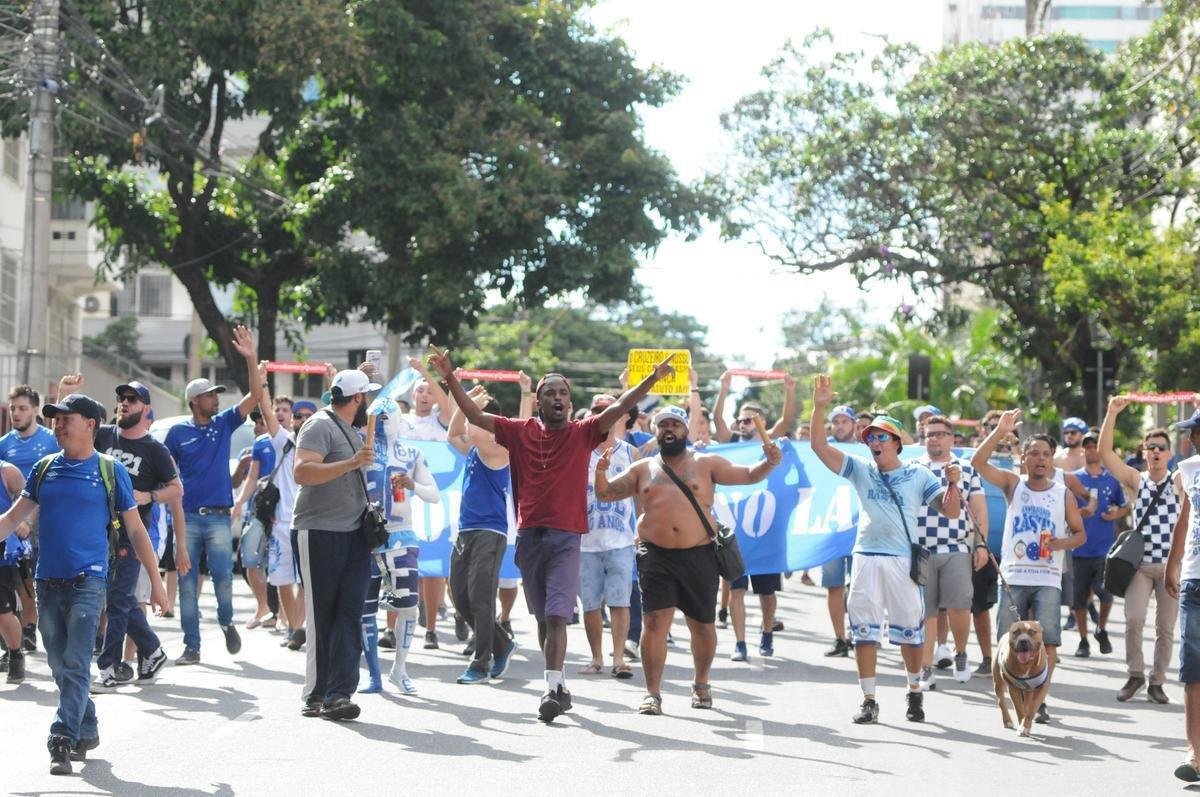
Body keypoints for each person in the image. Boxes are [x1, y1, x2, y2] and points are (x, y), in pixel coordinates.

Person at [429, 347, 675, 722]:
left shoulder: (583, 432)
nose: (557, 398)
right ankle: (559, 684)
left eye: (563, 394)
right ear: (539, 401)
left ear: (569, 401)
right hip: (529, 536)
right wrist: (449, 377)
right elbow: (476, 415)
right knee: (544, 617)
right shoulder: (519, 431)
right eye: (550, 393)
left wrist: (653, 380)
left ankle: (549, 686)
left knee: (559, 614)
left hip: (566, 536)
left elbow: (620, 405)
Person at [0, 393, 166, 775]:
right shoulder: (44, 469)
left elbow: (137, 530)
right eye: (54, 420)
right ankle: (87, 724)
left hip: (89, 581)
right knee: (60, 664)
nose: (57, 425)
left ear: (90, 424)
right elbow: (11, 519)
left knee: (75, 660)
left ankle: (62, 736)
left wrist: (156, 581)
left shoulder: (110, 471)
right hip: (47, 582)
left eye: (65, 419)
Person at [595, 404, 781, 715]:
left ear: (686, 431)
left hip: (699, 554)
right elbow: (606, 494)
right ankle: (652, 693)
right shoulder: (642, 469)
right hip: (656, 555)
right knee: (654, 622)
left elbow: (748, 475)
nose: (670, 430)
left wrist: (769, 463)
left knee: (703, 625)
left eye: (676, 425)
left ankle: (701, 683)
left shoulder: (706, 463)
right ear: (656, 431)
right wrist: (600, 473)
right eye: (663, 425)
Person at [810, 375, 961, 724]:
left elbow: (951, 511)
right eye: (870, 438)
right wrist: (820, 407)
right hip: (865, 558)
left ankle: (913, 691)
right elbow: (819, 447)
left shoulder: (919, 474)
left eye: (880, 437)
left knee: (909, 633)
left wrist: (953, 484)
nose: (873, 442)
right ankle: (869, 699)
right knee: (863, 632)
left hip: (902, 561)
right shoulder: (861, 470)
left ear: (895, 442)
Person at [972, 408, 1085, 726]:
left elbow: (1080, 534)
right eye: (1033, 453)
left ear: (1052, 460)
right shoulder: (1013, 485)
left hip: (1048, 577)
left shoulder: (1062, 494)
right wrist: (1000, 432)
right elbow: (977, 464)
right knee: (1008, 640)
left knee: (1047, 641)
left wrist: (1059, 544)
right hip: (1013, 575)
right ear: (1024, 459)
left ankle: (1039, 700)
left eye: (1046, 454)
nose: (1039, 459)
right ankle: (1015, 693)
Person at [165, 325, 261, 664]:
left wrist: (250, 358)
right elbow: (165, 474)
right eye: (210, 395)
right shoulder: (177, 433)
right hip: (189, 517)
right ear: (195, 401)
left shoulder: (224, 424)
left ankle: (226, 622)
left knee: (223, 578)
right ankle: (192, 646)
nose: (216, 398)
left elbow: (254, 394)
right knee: (188, 585)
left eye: (216, 394)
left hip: (220, 516)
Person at [292, 368, 380, 721]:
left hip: (355, 533)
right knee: (322, 615)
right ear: (357, 399)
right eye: (366, 396)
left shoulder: (353, 429)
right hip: (319, 531)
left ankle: (340, 694)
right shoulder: (318, 425)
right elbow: (303, 471)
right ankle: (316, 693)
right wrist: (351, 463)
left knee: (349, 615)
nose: (368, 402)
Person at [87, 379, 183, 691]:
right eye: (121, 398)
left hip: (131, 533)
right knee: (120, 599)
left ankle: (110, 667)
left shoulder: (155, 449)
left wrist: (149, 497)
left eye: (132, 399)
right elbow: (68, 434)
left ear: (145, 409)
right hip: (99, 532)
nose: (124, 403)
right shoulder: (102, 436)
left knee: (117, 600)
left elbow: (176, 489)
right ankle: (152, 650)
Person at [447, 382, 531, 684]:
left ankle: (481, 662)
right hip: (465, 529)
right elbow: (452, 433)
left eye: (478, 417)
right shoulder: (473, 448)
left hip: (490, 531)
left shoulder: (498, 450)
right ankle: (502, 642)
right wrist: (466, 401)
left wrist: (525, 395)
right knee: (460, 597)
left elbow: (519, 428)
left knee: (481, 598)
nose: (471, 420)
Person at [1100, 396, 1182, 704]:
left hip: (1170, 566)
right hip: (1141, 565)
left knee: (1166, 627)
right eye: (1152, 448)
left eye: (1162, 447)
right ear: (1144, 452)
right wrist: (1112, 413)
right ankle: (1135, 674)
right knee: (1133, 618)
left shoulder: (1179, 481)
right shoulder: (1137, 481)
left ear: (1171, 453)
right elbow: (1105, 453)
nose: (1157, 452)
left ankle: (1157, 681)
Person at [912, 414, 988, 690]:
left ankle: (961, 652)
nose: (934, 438)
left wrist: (980, 543)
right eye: (929, 434)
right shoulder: (912, 468)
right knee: (926, 611)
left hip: (955, 546)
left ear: (952, 438)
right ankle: (926, 667)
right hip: (920, 550)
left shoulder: (966, 469)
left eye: (940, 434)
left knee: (959, 606)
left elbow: (978, 510)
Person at [577, 393, 639, 680]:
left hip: (621, 541)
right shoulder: (578, 450)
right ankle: (596, 657)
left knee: (620, 602)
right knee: (590, 604)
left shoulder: (629, 453)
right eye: (598, 411)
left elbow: (641, 494)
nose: (604, 415)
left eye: (609, 410)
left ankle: (618, 659)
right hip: (585, 541)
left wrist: (640, 528)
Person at [0, 384, 60, 650]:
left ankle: (32, 627)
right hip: (13, 522)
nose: (16, 413)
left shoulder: (50, 440)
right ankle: (21, 633)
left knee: (34, 579)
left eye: (22, 408)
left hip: (44, 520)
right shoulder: (4, 444)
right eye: (13, 408)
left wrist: (29, 521)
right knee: (17, 580)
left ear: (35, 410)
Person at [1069, 430, 1128, 658]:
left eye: (1095, 446)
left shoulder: (1111, 479)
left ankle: (1101, 628)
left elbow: (1123, 505)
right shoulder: (1074, 478)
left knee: (1105, 593)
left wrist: (1115, 515)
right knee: (1080, 598)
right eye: (1088, 446)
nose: (1092, 450)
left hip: (1104, 547)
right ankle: (1083, 640)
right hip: (1079, 547)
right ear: (1083, 450)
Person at [231, 409, 276, 629]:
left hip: (279, 515)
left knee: (275, 566)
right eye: (256, 422)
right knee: (248, 560)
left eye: (262, 422)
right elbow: (242, 481)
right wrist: (238, 504)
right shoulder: (254, 448)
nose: (257, 426)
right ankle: (264, 607)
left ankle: (278, 614)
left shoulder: (288, 444)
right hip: (256, 512)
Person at [821, 403, 858, 658]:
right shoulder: (824, 450)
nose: (840, 426)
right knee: (834, 586)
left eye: (845, 421)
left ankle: (860, 634)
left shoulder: (867, 449)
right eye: (836, 422)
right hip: (832, 529)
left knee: (860, 587)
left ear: (855, 424)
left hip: (860, 529)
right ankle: (840, 637)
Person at [0, 458, 28, 683]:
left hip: (2, 551)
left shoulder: (8, 472)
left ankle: (15, 653)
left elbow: (30, 498)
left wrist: (25, 521)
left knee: (2, 614)